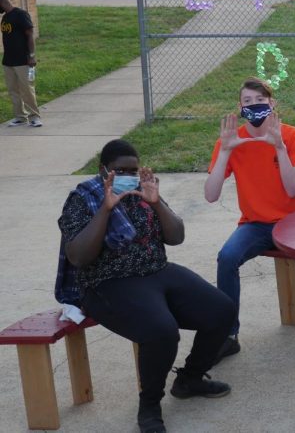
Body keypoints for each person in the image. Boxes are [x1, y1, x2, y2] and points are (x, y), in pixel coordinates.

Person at [58, 139, 235, 433]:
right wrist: (105, 209)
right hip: (109, 282)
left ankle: (190, 378)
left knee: (221, 310)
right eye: (120, 170)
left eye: (133, 169)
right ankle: (150, 405)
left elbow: (176, 236)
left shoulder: (143, 192)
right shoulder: (82, 198)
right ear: (104, 171)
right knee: (161, 332)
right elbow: (79, 256)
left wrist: (156, 202)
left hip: (157, 270)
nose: (128, 175)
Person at [205, 77, 295, 359]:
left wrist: (279, 146)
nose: (254, 107)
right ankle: (229, 334)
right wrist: (226, 150)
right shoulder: (232, 140)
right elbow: (211, 194)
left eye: (260, 102)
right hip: (255, 224)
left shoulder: (291, 135)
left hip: (293, 221)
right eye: (248, 102)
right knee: (227, 258)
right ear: (240, 106)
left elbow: (293, 188)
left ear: (273, 103)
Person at [0, 0, 41, 127]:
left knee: (27, 89)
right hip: (8, 61)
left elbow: (30, 36)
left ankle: (34, 117)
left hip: (23, 60)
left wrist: (31, 56)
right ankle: (20, 117)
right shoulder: (5, 18)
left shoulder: (21, 15)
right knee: (13, 91)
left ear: (2, 1)